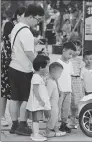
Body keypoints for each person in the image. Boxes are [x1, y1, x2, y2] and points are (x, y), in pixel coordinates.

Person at [8, 4, 44, 136]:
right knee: (25, 99)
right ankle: (22, 125)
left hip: (13, 67)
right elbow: (29, 54)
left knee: (14, 98)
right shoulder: (26, 31)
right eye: (38, 19)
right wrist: (39, 66)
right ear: (30, 16)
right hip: (23, 70)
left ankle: (14, 124)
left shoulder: (16, 27)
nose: (38, 23)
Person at [1, 7, 26, 127]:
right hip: (7, 60)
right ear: (18, 15)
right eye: (24, 16)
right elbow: (12, 39)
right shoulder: (9, 25)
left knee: (14, 90)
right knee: (5, 91)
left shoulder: (21, 27)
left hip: (16, 60)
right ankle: (1, 117)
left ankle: (17, 118)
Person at [26, 55, 51, 141]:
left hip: (38, 102)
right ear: (41, 67)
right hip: (36, 102)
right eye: (47, 65)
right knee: (36, 119)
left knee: (37, 118)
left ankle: (35, 132)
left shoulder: (39, 76)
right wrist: (40, 100)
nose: (49, 67)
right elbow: (35, 90)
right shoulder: (36, 77)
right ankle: (35, 134)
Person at [56, 41, 75, 133]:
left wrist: (71, 89)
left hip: (68, 90)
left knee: (66, 109)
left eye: (72, 54)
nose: (71, 56)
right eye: (70, 53)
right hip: (60, 90)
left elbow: (70, 76)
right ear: (64, 50)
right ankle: (54, 124)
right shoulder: (57, 63)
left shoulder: (70, 63)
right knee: (57, 108)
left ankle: (63, 124)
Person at [45, 62, 66, 138]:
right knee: (52, 118)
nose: (60, 75)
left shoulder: (53, 81)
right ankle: (48, 131)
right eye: (60, 73)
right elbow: (47, 95)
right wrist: (47, 107)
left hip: (55, 104)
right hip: (52, 105)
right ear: (54, 72)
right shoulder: (50, 82)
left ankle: (56, 129)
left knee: (56, 117)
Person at [69, 41, 85, 129]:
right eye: (75, 49)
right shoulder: (69, 59)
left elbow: (82, 71)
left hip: (78, 81)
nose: (77, 52)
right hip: (71, 80)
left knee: (79, 101)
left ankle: (79, 120)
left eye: (79, 50)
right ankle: (72, 120)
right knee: (72, 102)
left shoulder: (80, 60)